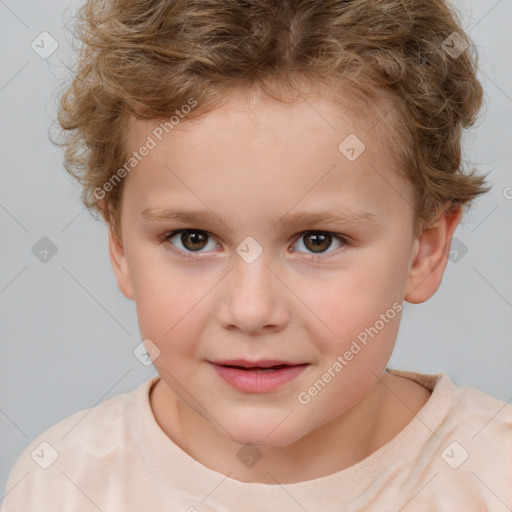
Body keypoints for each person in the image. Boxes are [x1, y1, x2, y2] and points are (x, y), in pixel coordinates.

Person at [2, 0, 511, 510]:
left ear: (426, 250)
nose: (250, 310)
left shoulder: (494, 478)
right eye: (193, 239)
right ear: (119, 245)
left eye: (318, 241)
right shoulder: (62, 483)